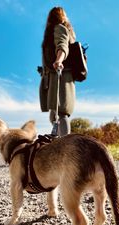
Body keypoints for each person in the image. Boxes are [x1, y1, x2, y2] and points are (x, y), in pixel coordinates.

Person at [40, 6, 76, 136]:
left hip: (60, 76)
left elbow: (62, 46)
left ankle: (66, 146)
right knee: (54, 114)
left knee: (60, 112)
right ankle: (61, 143)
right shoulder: (62, 29)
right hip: (56, 76)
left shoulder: (59, 28)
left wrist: (59, 60)